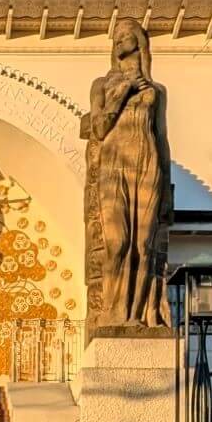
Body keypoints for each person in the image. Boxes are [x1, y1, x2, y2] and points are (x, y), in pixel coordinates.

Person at [87, 18, 172, 328]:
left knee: (144, 243)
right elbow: (99, 128)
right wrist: (123, 91)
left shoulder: (157, 91)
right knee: (117, 241)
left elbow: (162, 138)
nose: (118, 41)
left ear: (139, 40)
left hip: (147, 163)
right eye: (115, 37)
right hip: (115, 164)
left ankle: (135, 316)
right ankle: (112, 313)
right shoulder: (103, 85)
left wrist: (167, 195)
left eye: (124, 35)